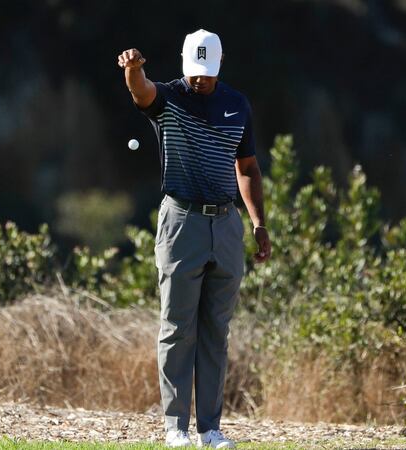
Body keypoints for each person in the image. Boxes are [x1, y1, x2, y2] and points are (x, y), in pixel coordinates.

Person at [117, 29, 271, 448]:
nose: (199, 80)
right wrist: (133, 70)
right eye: (194, 72)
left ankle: (210, 429)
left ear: (219, 66)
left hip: (225, 225)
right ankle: (175, 427)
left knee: (215, 330)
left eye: (206, 73)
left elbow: (248, 168)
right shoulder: (170, 98)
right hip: (181, 222)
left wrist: (258, 222)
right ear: (185, 63)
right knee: (177, 327)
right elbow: (142, 93)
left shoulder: (236, 105)